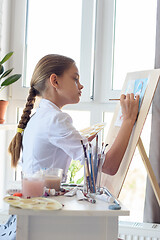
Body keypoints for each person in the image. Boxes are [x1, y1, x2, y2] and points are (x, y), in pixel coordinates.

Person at [6, 54, 139, 240]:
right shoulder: (56, 119)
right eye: (75, 78)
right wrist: (129, 120)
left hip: (35, 211)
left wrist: (81, 141)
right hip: (42, 217)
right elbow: (108, 166)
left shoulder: (41, 116)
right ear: (55, 81)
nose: (81, 85)